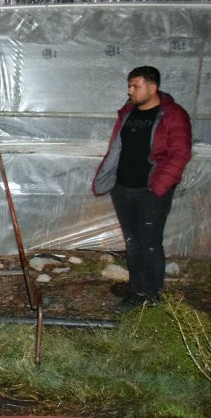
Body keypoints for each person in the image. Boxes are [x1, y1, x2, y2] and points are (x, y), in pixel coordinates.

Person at [92, 66, 192, 311]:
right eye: (129, 85)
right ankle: (137, 292)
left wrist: (157, 189)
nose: (130, 91)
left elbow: (180, 154)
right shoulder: (128, 113)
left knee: (150, 242)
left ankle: (154, 294)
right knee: (132, 241)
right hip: (123, 189)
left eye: (135, 86)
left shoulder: (173, 115)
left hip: (151, 191)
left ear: (152, 87)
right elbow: (117, 148)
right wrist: (111, 180)